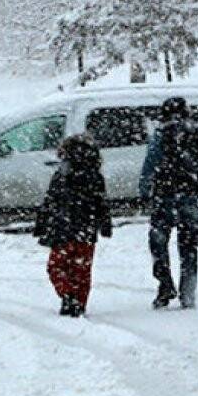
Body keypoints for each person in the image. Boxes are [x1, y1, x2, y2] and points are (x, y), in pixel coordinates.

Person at [140, 97, 198, 310]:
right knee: (188, 246)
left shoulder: (161, 136)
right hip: (191, 197)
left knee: (158, 242)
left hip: (164, 196)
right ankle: (188, 292)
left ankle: (165, 283)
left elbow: (150, 165)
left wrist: (145, 192)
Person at [33, 135, 113, 317]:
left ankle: (67, 294)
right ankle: (79, 302)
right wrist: (105, 224)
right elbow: (101, 203)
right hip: (86, 230)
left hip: (63, 230)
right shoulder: (95, 176)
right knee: (82, 270)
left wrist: (41, 223)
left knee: (57, 267)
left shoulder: (62, 175)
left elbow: (50, 201)